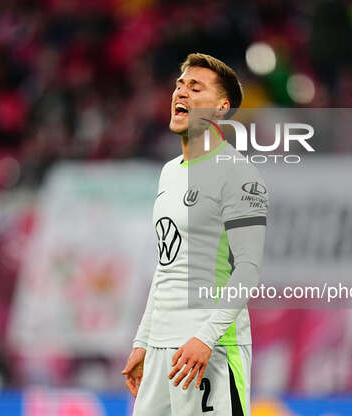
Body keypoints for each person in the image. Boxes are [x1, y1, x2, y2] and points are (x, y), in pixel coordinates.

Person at [122, 53, 268, 415]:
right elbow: (168, 264)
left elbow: (248, 269)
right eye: (179, 85)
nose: (181, 93)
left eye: (195, 87)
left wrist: (205, 338)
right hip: (161, 351)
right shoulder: (170, 172)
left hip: (209, 349)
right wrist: (144, 341)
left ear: (221, 107)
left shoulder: (238, 174)